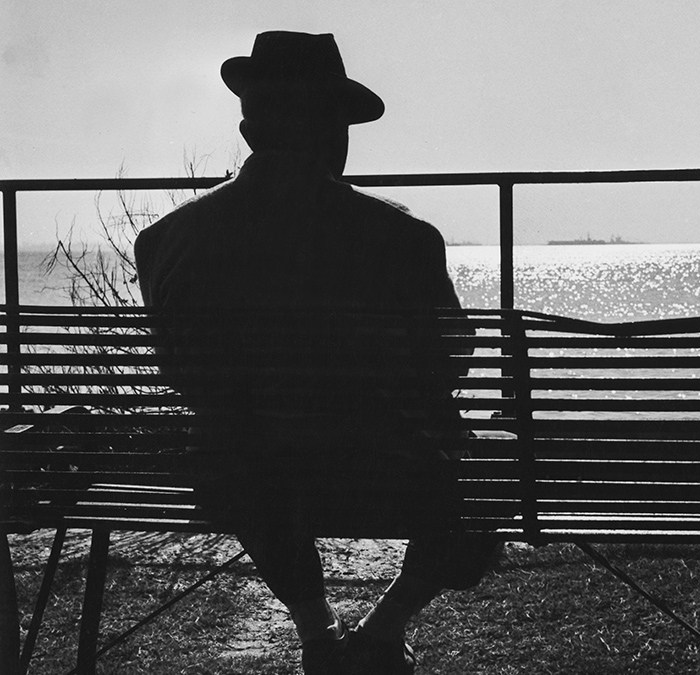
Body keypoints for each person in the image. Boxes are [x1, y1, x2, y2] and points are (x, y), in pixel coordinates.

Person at [135, 31, 496, 675]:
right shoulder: (404, 237)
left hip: (239, 477)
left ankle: (318, 633)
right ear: (334, 133)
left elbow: (180, 373)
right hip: (383, 473)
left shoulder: (164, 240)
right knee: (487, 484)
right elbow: (449, 363)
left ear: (249, 131)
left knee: (241, 445)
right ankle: (382, 631)